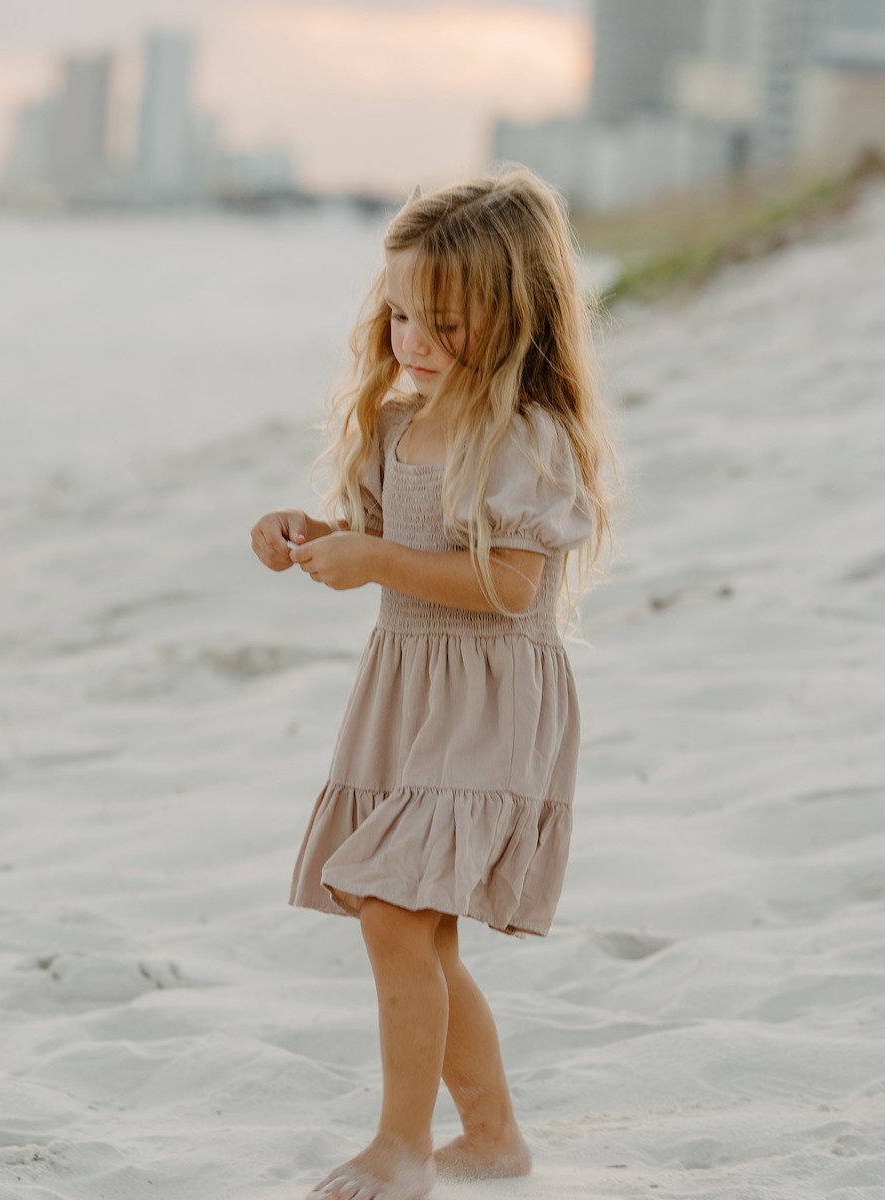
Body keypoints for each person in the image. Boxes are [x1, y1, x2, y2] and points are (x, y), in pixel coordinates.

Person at [249, 168, 618, 1200]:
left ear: (514, 320)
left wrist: (376, 564)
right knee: (409, 916)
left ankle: (402, 1146)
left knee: (393, 908)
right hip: (410, 693)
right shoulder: (398, 425)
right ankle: (492, 1138)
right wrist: (308, 536)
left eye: (443, 322)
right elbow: (376, 540)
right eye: (401, 312)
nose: (412, 338)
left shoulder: (525, 440)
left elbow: (508, 583)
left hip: (492, 698)